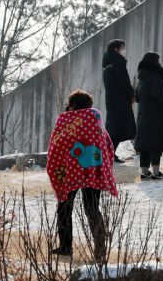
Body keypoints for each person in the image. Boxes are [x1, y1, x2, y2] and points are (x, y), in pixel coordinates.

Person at [46, 90, 117, 260]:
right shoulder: (95, 117)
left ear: (73, 105)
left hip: (70, 170)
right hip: (93, 168)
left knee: (64, 206)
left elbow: (57, 143)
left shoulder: (65, 119)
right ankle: (100, 249)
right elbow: (107, 143)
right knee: (92, 208)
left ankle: (65, 247)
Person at [134, 52, 163, 179]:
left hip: (143, 114)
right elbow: (158, 94)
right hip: (156, 114)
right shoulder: (155, 76)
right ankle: (156, 172)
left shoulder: (141, 77)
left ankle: (144, 171)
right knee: (156, 142)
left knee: (145, 143)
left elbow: (137, 97)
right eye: (157, 61)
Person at [102, 39, 136, 163]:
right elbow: (125, 82)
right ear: (116, 49)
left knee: (114, 127)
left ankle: (109, 153)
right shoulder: (118, 63)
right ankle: (109, 153)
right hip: (120, 100)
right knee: (117, 128)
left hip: (112, 100)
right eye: (122, 48)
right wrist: (131, 94)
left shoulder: (108, 65)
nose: (124, 51)